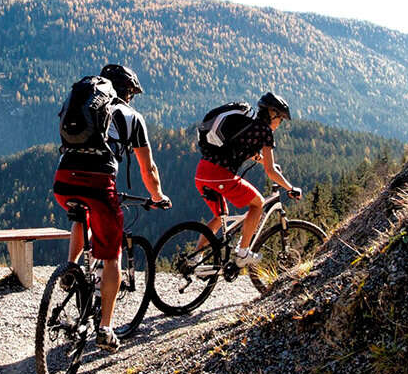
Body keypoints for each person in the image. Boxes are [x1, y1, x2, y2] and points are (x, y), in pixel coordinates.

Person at [51, 63, 170, 350]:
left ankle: (70, 269)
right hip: (99, 184)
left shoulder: (81, 106)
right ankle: (105, 329)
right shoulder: (131, 116)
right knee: (112, 254)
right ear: (127, 92)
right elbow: (148, 168)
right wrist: (157, 195)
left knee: (80, 214)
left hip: (63, 180)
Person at [193, 92, 301, 267]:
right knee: (258, 203)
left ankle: (194, 258)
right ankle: (243, 252)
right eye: (280, 119)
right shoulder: (265, 131)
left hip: (202, 172)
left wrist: (265, 161)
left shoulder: (248, 126)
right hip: (220, 175)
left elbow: (247, 152)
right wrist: (290, 187)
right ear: (272, 114)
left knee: (220, 216)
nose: (279, 124)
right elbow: (270, 170)